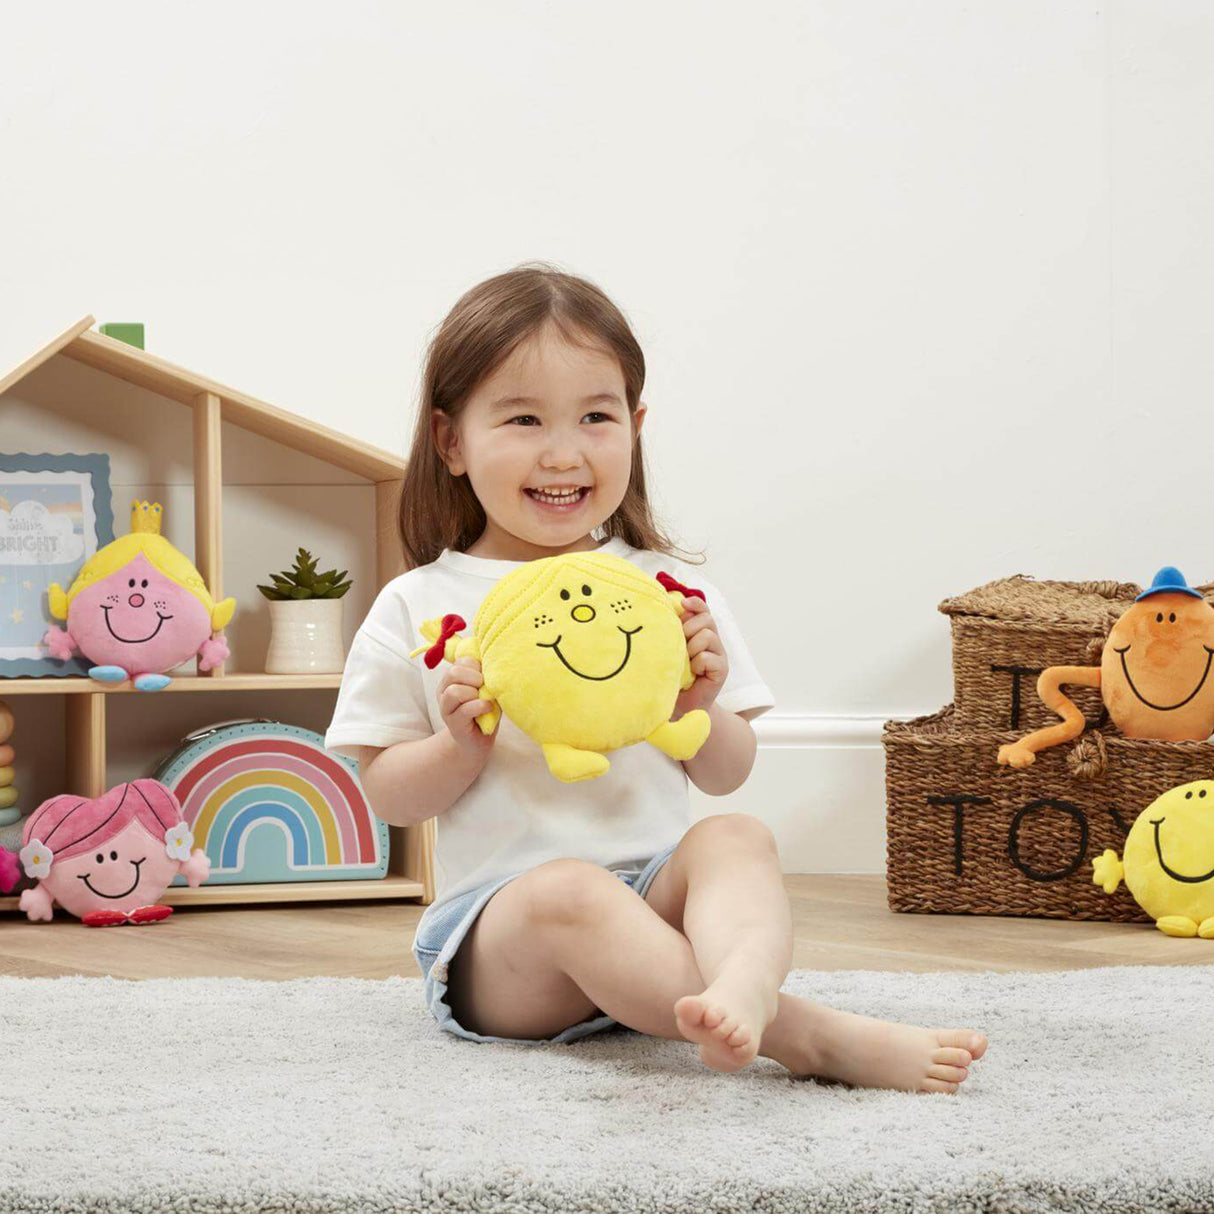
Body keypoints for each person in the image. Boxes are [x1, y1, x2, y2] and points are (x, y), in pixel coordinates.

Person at [324, 262, 987, 1092]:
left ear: (635, 427)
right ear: (452, 441)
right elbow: (387, 795)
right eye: (523, 418)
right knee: (568, 889)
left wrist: (699, 707)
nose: (563, 452)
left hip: (653, 898)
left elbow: (726, 771)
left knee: (737, 836)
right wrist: (459, 746)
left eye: (595, 417)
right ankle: (807, 1035)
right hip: (504, 944)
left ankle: (740, 983)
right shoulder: (417, 603)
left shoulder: (666, 592)